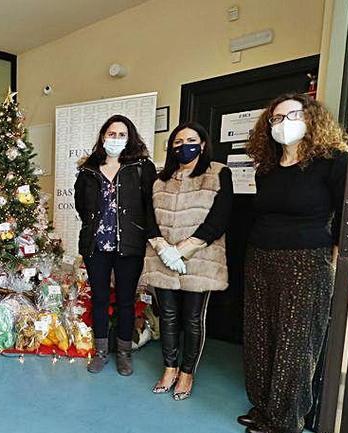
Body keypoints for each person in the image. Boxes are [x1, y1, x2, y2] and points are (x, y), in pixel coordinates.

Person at [240, 93, 348, 433]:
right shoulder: (267, 169)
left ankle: (286, 422)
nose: (283, 124)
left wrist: (332, 258)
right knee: (260, 336)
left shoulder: (333, 162)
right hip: (261, 257)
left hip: (306, 261)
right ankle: (263, 406)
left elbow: (347, 217)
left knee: (295, 342)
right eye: (275, 118)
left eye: (292, 115)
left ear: (311, 118)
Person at [141, 122, 233, 400]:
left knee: (193, 318)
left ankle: (187, 372)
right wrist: (162, 247)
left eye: (191, 140)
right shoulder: (160, 179)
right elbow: (148, 217)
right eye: (178, 142)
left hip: (200, 257)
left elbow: (219, 218)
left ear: (203, 144)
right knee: (167, 316)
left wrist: (182, 250)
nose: (184, 146)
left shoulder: (218, 173)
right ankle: (169, 368)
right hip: (161, 257)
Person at [74, 115, 157, 376]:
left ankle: (123, 353)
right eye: (112, 134)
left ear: (129, 138)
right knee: (98, 299)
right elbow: (81, 205)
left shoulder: (142, 167)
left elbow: (149, 206)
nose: (116, 139)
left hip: (129, 245)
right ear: (102, 137)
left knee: (125, 301)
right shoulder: (89, 169)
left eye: (122, 135)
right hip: (96, 245)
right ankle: (100, 352)